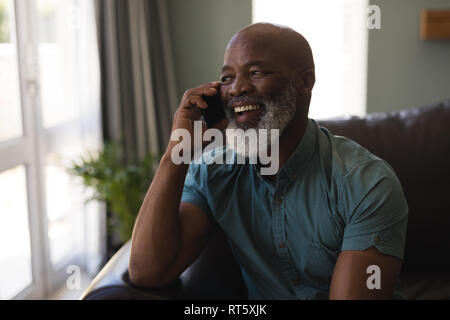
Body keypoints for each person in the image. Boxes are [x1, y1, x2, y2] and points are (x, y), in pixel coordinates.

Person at [129, 23, 408, 300]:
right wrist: (175, 155)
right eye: (227, 78)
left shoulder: (366, 183)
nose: (237, 88)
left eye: (256, 72)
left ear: (305, 82)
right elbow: (147, 272)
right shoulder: (212, 173)